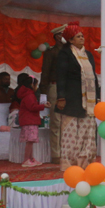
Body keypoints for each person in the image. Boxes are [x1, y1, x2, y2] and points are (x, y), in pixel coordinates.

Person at [54, 22, 97, 171]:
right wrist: (61, 97)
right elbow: (61, 76)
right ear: (70, 40)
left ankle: (85, 162)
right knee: (70, 132)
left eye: (82, 36)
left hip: (88, 101)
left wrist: (96, 97)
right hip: (71, 98)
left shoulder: (89, 54)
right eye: (78, 36)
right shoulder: (65, 53)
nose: (82, 38)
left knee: (87, 130)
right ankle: (68, 163)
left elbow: (94, 77)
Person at [39, 24, 66, 165]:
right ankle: (56, 154)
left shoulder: (72, 51)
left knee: (68, 121)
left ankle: (67, 151)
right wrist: (43, 93)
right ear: (57, 36)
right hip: (55, 86)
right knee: (56, 121)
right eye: (63, 34)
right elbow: (45, 72)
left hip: (69, 89)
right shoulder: (51, 52)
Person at [14, 73, 46, 167]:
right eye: (36, 85)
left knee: (30, 141)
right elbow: (32, 107)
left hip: (29, 121)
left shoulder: (28, 95)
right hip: (30, 121)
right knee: (30, 141)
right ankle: (26, 160)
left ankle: (31, 159)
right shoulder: (29, 95)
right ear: (32, 85)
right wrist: (43, 106)